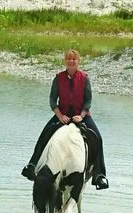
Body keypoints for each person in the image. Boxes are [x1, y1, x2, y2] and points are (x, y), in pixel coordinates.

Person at [21, 49, 109, 190]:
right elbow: (52, 99)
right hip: (63, 115)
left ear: (78, 61)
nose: (71, 61)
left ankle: (100, 175)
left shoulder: (84, 78)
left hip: (81, 116)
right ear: (65, 61)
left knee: (98, 138)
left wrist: (82, 115)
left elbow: (88, 100)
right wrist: (59, 115)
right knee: (44, 134)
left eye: (74, 59)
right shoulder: (58, 77)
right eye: (69, 59)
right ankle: (31, 165)